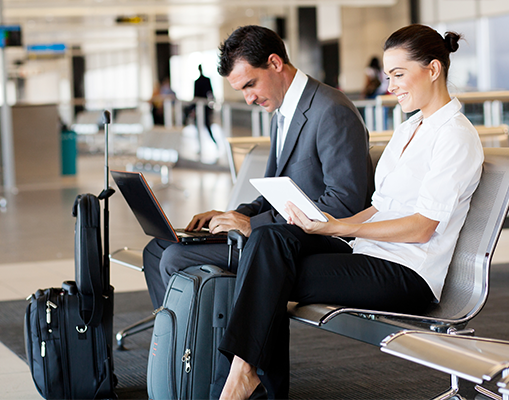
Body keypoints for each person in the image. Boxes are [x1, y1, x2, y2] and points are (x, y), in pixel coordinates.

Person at [216, 24, 485, 400]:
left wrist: (335, 228)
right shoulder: (409, 129)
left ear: (434, 70)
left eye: (398, 74)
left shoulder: (455, 136)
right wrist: (324, 225)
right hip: (369, 256)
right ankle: (247, 377)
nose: (390, 86)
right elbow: (379, 207)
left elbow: (423, 227)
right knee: (268, 240)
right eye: (388, 76)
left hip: (407, 273)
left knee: (268, 271)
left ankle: (242, 380)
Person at [141, 24, 374, 398]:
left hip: (315, 243)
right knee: (156, 250)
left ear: (275, 62)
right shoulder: (284, 112)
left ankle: (206, 370)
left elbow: (344, 206)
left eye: (250, 85)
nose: (248, 98)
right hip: (277, 234)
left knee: (173, 258)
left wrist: (253, 223)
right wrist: (231, 214)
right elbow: (272, 193)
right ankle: (178, 358)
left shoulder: (331, 111)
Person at [184, 64, 216, 143]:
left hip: (203, 106)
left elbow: (209, 93)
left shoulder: (201, 81)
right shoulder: (200, 81)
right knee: (201, 125)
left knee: (206, 125)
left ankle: (214, 143)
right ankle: (202, 144)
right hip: (200, 106)